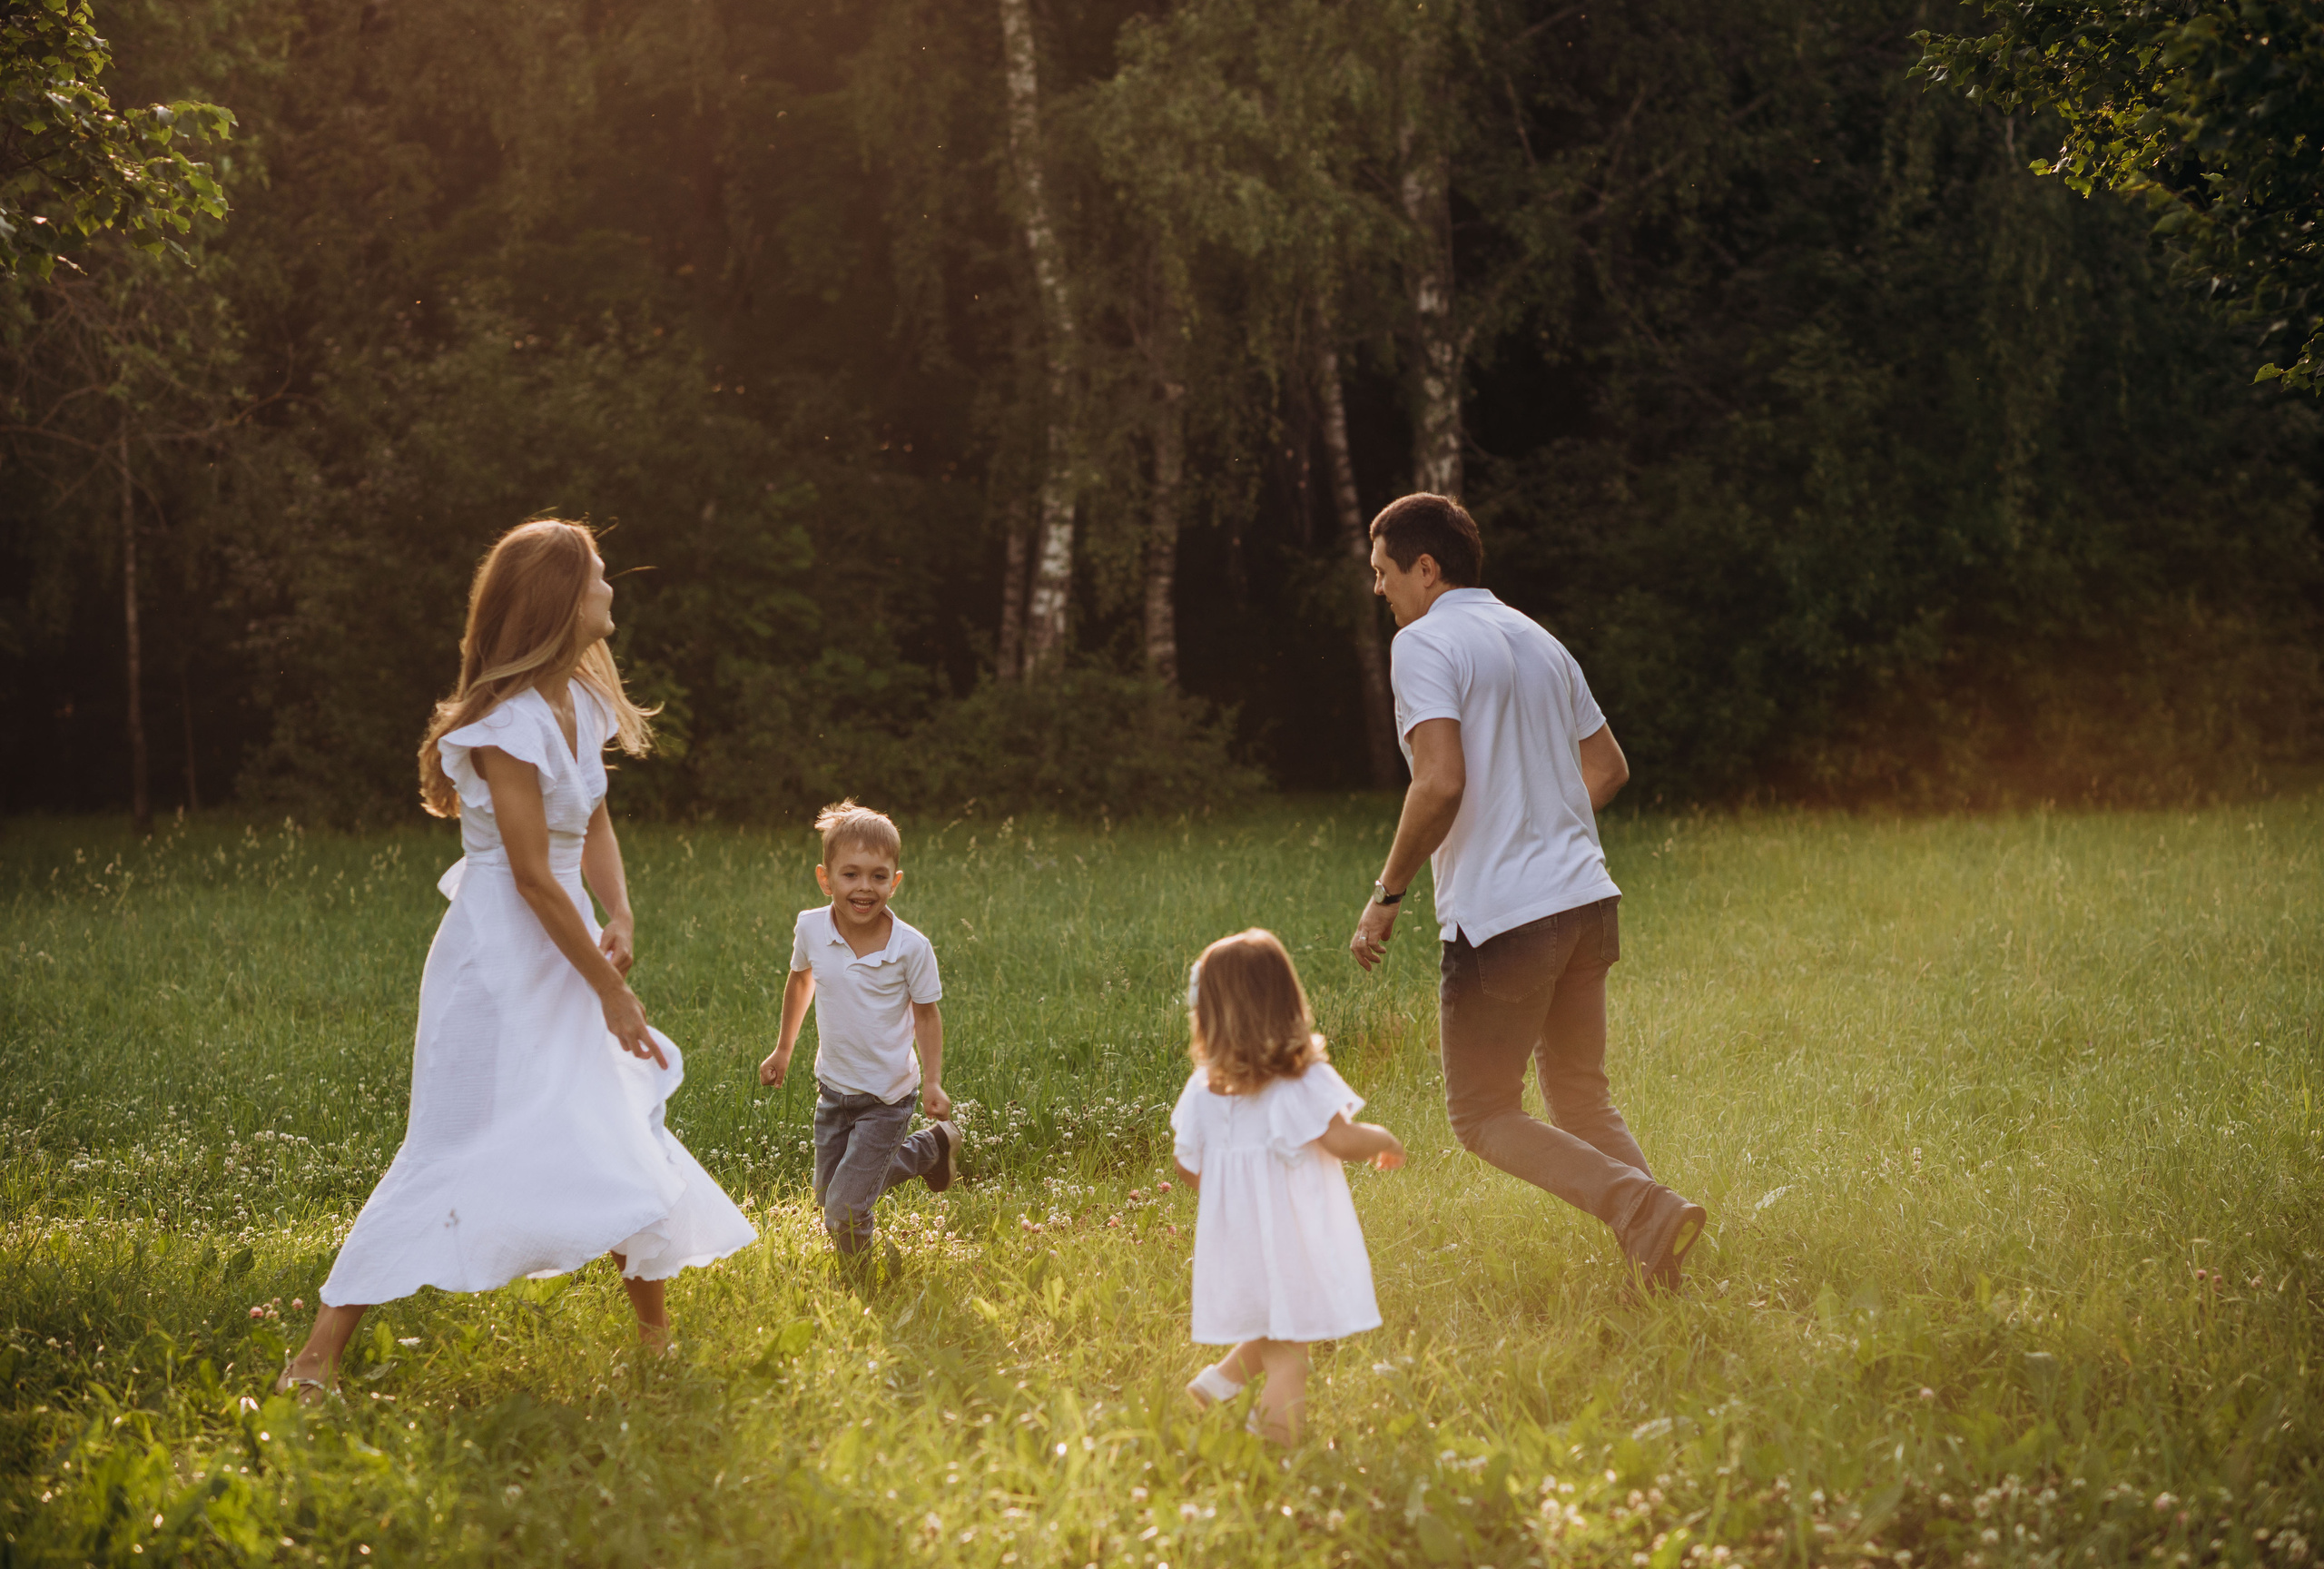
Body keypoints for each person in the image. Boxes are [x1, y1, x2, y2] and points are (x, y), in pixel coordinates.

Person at [276, 520, 755, 1400]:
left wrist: (621, 911)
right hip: (499, 960)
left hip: (566, 941)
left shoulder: (581, 702)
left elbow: (594, 821)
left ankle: (655, 1347)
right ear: (561, 598)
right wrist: (610, 990)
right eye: (601, 578)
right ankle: (312, 1362)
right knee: (448, 1149)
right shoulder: (505, 726)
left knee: (614, 1124)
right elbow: (533, 877)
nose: (613, 590)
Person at [1346, 493, 1705, 1293]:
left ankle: (1643, 1210)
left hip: (1507, 919)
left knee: (1482, 1115)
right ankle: (1662, 1247)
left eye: (1383, 573)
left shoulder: (1424, 643)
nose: (1379, 591)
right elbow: (1608, 768)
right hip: (1585, 900)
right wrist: (1546, 822)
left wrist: (1388, 893)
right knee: (1579, 1097)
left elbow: (1438, 783)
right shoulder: (1539, 639)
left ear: (1426, 569)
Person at [1173, 929, 1405, 1446]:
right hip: (1293, 1237)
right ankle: (1278, 1452)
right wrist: (1384, 1138)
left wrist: (1228, 1204)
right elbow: (1342, 1139)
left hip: (1235, 1241)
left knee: (1275, 1322)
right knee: (1291, 1357)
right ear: (1287, 1002)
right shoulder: (1302, 1080)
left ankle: (1219, 1383)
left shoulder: (1203, 1089)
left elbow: (1187, 1164)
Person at [759, 801, 959, 1258]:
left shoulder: (911, 948)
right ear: (825, 878)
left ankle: (866, 1280)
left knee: (844, 1209)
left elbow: (927, 1015)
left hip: (888, 1097)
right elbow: (801, 979)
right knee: (826, 1197)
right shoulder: (811, 928)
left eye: (878, 876)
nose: (864, 887)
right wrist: (783, 1050)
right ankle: (932, 1149)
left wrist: (931, 1081)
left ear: (896, 881)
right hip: (834, 1091)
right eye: (850, 875)